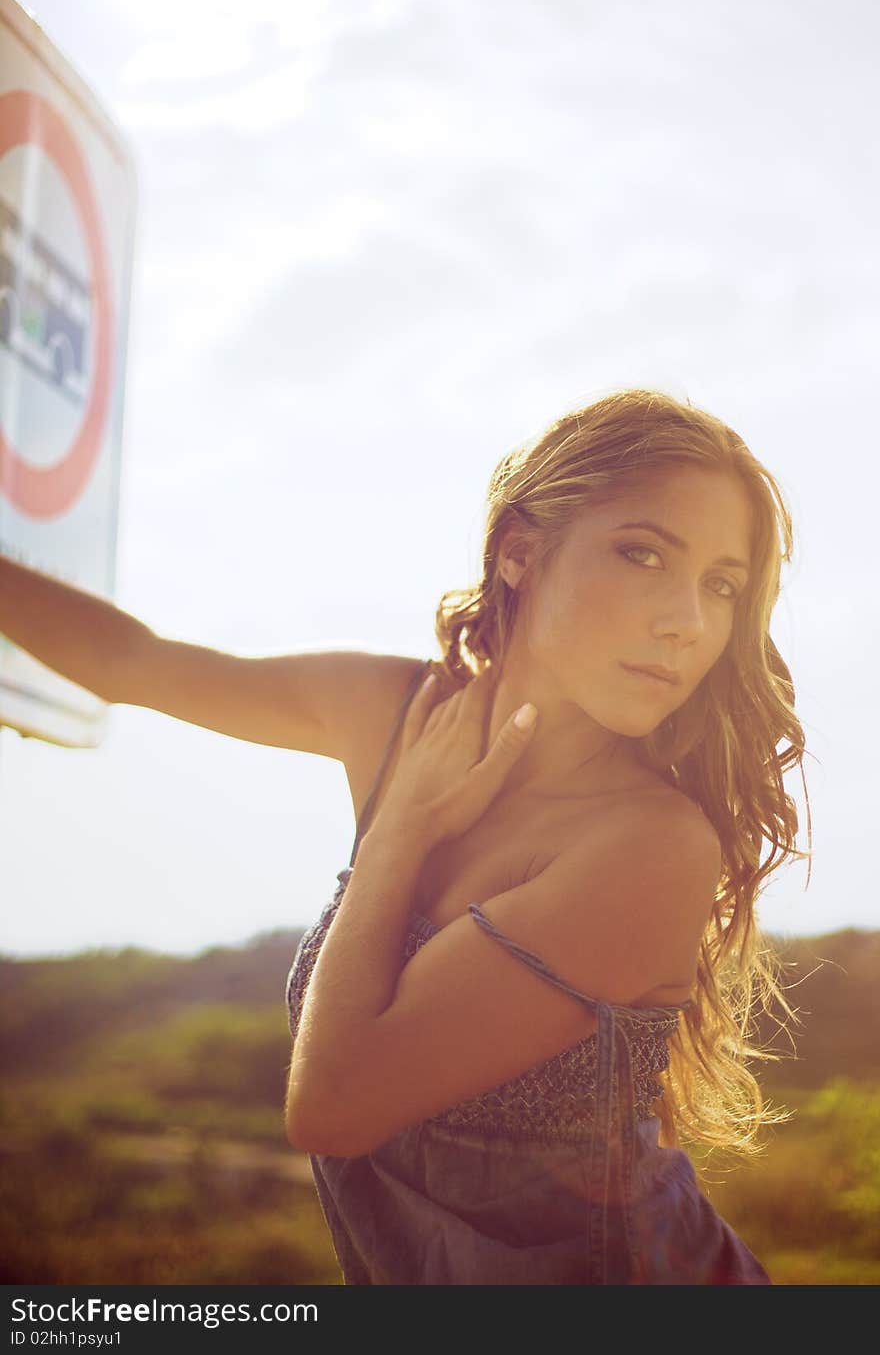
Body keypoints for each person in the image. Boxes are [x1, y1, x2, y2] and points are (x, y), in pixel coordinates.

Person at [0, 387, 809, 1284]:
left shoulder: (652, 847)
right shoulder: (396, 713)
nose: (686, 622)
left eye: (721, 586)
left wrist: (400, 832)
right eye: (644, 554)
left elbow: (334, 1106)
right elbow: (129, 663)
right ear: (521, 553)